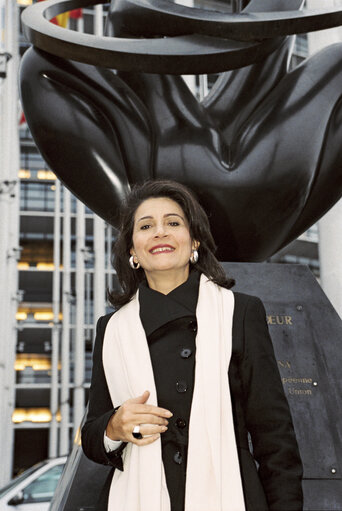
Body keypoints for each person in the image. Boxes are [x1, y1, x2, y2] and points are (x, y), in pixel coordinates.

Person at [81, 180, 303, 511]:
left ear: (194, 239)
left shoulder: (239, 312)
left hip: (232, 495)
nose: (160, 232)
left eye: (173, 222)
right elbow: (92, 438)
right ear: (132, 250)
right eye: (146, 226)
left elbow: (275, 438)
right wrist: (114, 426)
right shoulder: (111, 328)